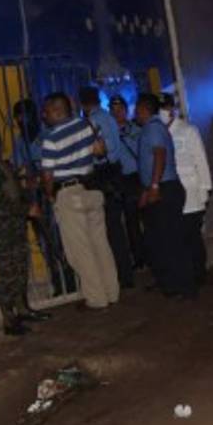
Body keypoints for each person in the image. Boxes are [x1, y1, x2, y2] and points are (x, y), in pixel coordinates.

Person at [39, 93, 120, 310]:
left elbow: (47, 175)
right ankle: (112, 292)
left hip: (68, 193)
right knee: (101, 244)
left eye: (46, 111)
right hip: (91, 188)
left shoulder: (51, 138)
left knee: (80, 251)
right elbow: (100, 151)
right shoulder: (86, 125)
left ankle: (96, 298)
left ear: (57, 110)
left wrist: (49, 194)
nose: (43, 116)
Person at [0, 117, 49, 335]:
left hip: (12, 222)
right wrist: (26, 210)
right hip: (1, 223)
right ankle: (8, 318)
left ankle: (22, 309)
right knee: (7, 270)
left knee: (19, 265)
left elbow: (10, 189)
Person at [135, 93, 194, 299]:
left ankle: (183, 286)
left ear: (144, 109)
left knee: (171, 240)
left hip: (164, 189)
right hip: (161, 187)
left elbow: (160, 155)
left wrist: (153, 186)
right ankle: (171, 283)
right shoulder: (154, 128)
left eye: (137, 110)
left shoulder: (152, 128)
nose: (136, 114)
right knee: (162, 240)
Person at [79, 86, 137, 289]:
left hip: (102, 175)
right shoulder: (108, 117)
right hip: (115, 172)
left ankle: (120, 275)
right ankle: (126, 272)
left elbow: (97, 150)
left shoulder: (93, 121)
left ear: (83, 103)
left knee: (108, 228)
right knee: (117, 226)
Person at [161, 93, 213, 285]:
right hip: (170, 194)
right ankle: (185, 276)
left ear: (172, 109)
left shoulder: (187, 130)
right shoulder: (157, 132)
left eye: (165, 109)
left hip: (191, 192)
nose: (163, 113)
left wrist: (204, 190)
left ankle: (199, 275)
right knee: (177, 237)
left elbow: (200, 159)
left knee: (192, 237)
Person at [109, 95, 146, 269]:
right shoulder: (109, 133)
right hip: (121, 179)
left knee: (144, 218)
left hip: (137, 177)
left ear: (126, 110)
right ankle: (138, 258)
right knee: (129, 222)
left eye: (120, 110)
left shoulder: (137, 129)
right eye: (113, 110)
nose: (117, 114)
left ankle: (148, 254)